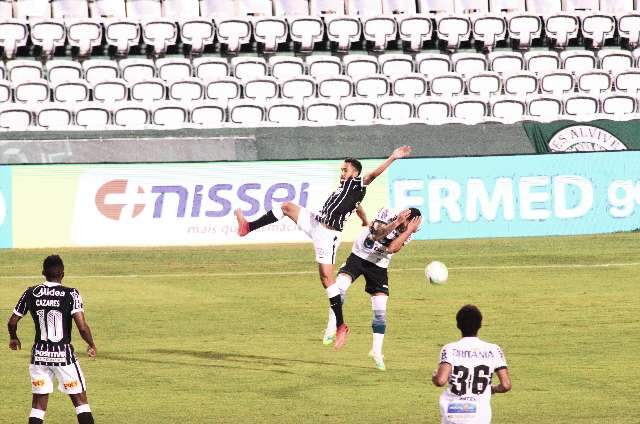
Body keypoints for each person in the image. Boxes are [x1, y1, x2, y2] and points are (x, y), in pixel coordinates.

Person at [235, 146, 412, 350]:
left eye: (345, 170)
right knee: (286, 207)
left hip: (328, 235)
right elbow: (356, 207)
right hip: (315, 222)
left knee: (327, 280)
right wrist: (364, 219)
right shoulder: (344, 190)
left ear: (355, 173)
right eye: (341, 170)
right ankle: (247, 227)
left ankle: (340, 326)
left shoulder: (356, 184)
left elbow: (372, 175)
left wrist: (393, 157)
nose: (342, 173)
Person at [322, 206, 422, 370]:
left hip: (379, 265)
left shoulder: (410, 231)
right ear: (404, 217)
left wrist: (408, 230)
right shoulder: (387, 214)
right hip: (359, 255)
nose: (411, 229)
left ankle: (376, 351)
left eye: (413, 227)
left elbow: (392, 248)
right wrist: (397, 223)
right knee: (339, 287)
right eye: (410, 225)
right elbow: (377, 235)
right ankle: (331, 326)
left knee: (380, 310)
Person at [7, 255, 97, 424]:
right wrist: (91, 344)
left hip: (39, 356)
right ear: (62, 273)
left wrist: (14, 338)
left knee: (38, 406)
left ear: (43, 273)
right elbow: (82, 326)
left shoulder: (30, 292)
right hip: (63, 356)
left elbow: (12, 322)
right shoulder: (71, 293)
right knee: (80, 402)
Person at [432, 304, 512, 424]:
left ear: (458, 325)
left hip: (453, 412)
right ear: (480, 325)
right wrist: (492, 389)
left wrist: (434, 378)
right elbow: (506, 385)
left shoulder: (449, 349)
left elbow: (440, 381)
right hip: (480, 415)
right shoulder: (494, 349)